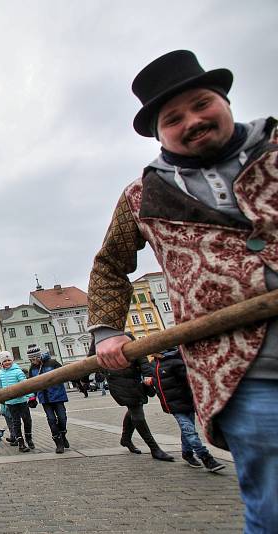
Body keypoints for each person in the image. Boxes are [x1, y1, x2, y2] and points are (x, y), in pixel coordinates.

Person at [87, 49, 277, 531]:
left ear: (225, 100)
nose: (192, 121)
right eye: (174, 118)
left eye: (201, 104)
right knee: (273, 502)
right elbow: (110, 264)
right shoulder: (143, 195)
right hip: (242, 374)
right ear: (159, 132)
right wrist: (107, 331)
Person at [145, 348, 224, 472]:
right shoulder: (154, 364)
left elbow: (190, 380)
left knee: (187, 430)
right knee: (189, 431)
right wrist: (149, 383)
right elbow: (155, 382)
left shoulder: (176, 362)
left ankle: (187, 453)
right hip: (174, 405)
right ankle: (205, 457)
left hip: (186, 401)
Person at [105, 345, 173, 462]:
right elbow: (93, 358)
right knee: (138, 415)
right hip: (118, 382)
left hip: (133, 381)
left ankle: (125, 439)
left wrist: (147, 374)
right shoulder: (101, 340)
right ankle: (154, 448)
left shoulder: (126, 337)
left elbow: (140, 354)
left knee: (133, 409)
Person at [27, 344, 69, 453]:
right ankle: (58, 442)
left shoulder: (53, 363)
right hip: (45, 398)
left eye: (34, 358)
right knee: (51, 419)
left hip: (57, 396)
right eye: (30, 359)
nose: (32, 361)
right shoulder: (32, 369)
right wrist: (32, 397)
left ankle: (63, 434)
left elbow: (64, 375)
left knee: (62, 417)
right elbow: (32, 384)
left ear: (39, 356)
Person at [0, 351, 33, 452]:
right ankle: (21, 443)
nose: (7, 362)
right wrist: (1, 399)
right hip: (11, 402)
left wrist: (31, 396)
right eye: (5, 361)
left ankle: (29, 438)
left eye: (9, 360)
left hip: (21, 400)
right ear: (1, 363)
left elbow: (25, 384)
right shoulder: (0, 373)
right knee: (16, 423)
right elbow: (0, 387)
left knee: (27, 420)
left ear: (12, 360)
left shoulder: (18, 371)